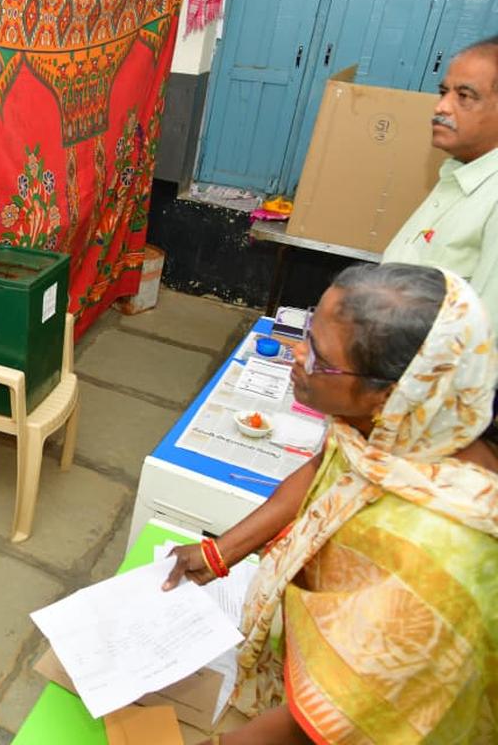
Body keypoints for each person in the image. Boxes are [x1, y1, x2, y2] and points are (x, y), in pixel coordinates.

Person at [162, 263, 498, 744]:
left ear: (392, 393)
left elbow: (331, 723)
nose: (298, 355)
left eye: (319, 356)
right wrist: (220, 553)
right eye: (307, 333)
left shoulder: (441, 560)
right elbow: (326, 469)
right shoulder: (398, 428)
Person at [383, 34, 498, 324]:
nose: (441, 107)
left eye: (464, 96)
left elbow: (484, 342)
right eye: (443, 92)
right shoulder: (458, 175)